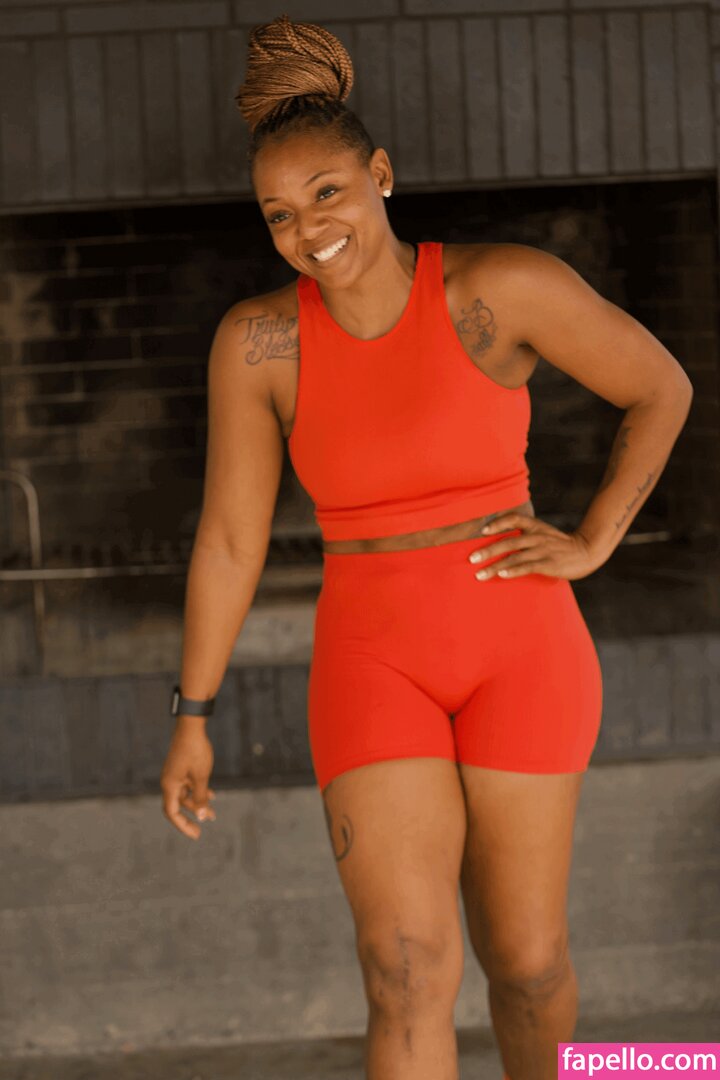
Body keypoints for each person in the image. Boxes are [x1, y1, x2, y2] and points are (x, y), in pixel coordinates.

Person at [159, 13, 693, 1080]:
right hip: (373, 660)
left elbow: (661, 387)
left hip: (522, 651)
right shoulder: (259, 344)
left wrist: (594, 540)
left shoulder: (497, 290)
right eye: (278, 214)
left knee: (527, 963)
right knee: (404, 967)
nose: (307, 230)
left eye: (326, 193)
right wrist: (193, 714)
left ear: (381, 175)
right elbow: (229, 540)